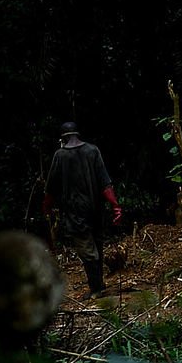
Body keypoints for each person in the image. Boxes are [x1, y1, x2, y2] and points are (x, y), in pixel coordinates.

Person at [43, 121, 122, 298]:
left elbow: (51, 189)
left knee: (88, 252)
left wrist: (46, 207)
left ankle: (96, 289)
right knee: (97, 246)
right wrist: (115, 205)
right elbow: (105, 184)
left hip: (74, 213)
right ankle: (98, 285)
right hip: (95, 209)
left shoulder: (60, 155)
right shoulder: (92, 151)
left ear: (62, 139)